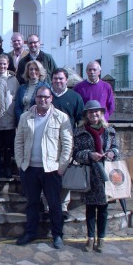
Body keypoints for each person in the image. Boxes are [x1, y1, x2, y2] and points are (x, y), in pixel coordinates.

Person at [14, 85, 73, 249]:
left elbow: (67, 145)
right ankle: (30, 233)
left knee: (54, 204)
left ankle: (57, 235)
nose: (43, 100)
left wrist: (61, 167)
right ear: (36, 98)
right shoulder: (25, 117)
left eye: (46, 97)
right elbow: (18, 141)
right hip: (30, 168)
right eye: (40, 97)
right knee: (32, 203)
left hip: (51, 169)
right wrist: (20, 164)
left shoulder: (61, 117)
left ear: (51, 98)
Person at [74, 100, 119, 253]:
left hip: (105, 174)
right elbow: (76, 154)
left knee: (104, 209)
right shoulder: (80, 132)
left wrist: (112, 153)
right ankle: (90, 238)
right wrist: (89, 155)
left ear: (101, 113)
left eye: (97, 111)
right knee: (90, 208)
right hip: (90, 174)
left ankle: (101, 238)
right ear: (86, 115)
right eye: (91, 112)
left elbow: (116, 148)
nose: (94, 114)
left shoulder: (110, 131)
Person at [51, 67, 84, 218]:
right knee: (48, 174)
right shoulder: (46, 95)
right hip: (48, 142)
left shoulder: (75, 97)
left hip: (67, 142)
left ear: (66, 80)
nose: (58, 81)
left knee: (64, 173)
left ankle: (63, 206)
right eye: (55, 78)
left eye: (61, 78)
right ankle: (48, 205)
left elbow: (80, 121)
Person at [0, 54, 19, 178]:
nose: (2, 66)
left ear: (8, 65)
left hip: (9, 118)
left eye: (4, 64)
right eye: (0, 63)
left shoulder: (14, 80)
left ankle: (7, 167)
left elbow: (17, 98)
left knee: (8, 146)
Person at [14, 60, 49, 127]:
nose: (33, 71)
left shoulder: (45, 87)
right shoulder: (22, 88)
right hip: (23, 123)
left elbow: (46, 107)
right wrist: (22, 120)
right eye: (31, 69)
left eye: (36, 69)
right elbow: (17, 108)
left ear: (40, 71)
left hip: (39, 123)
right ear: (27, 71)